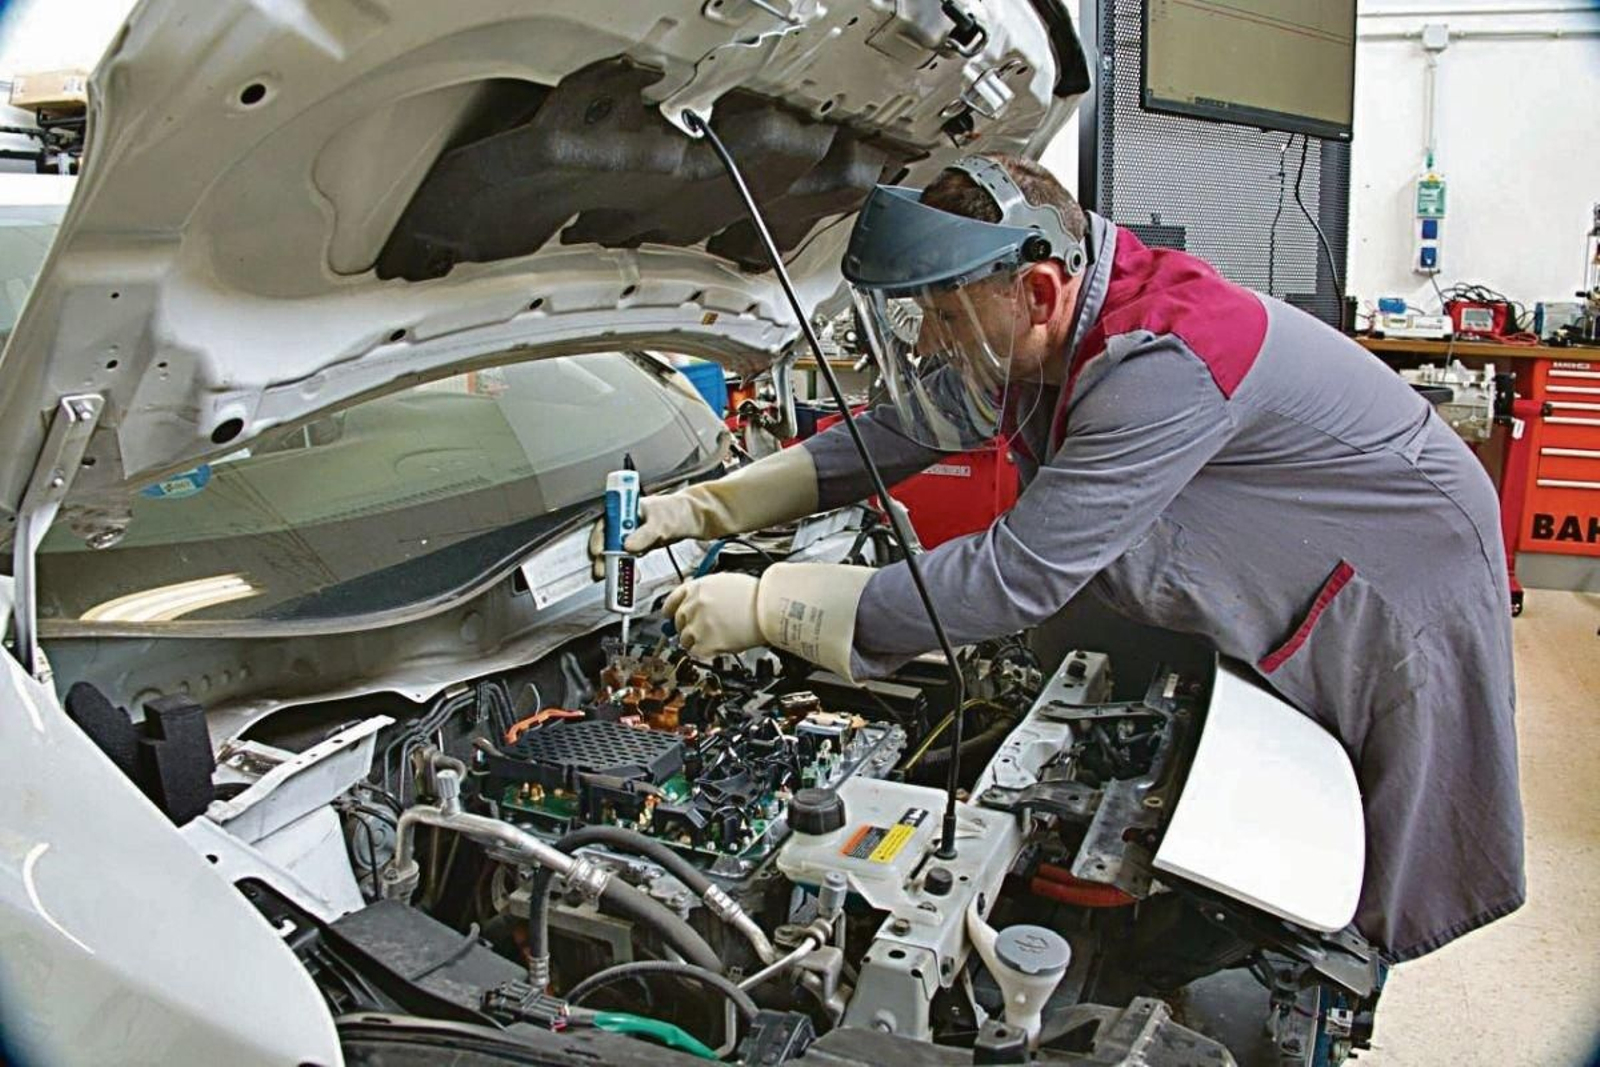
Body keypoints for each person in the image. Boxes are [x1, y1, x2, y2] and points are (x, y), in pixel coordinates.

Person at [593, 154, 1524, 964]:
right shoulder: (1045, 320)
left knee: (1369, 849)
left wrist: (770, 606)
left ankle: (1333, 973)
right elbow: (892, 434)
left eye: (944, 317)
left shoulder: (1162, 356)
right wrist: (701, 505)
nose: (929, 342)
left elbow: (1014, 575)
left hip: (1403, 565)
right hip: (1320, 532)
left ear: (1037, 291)